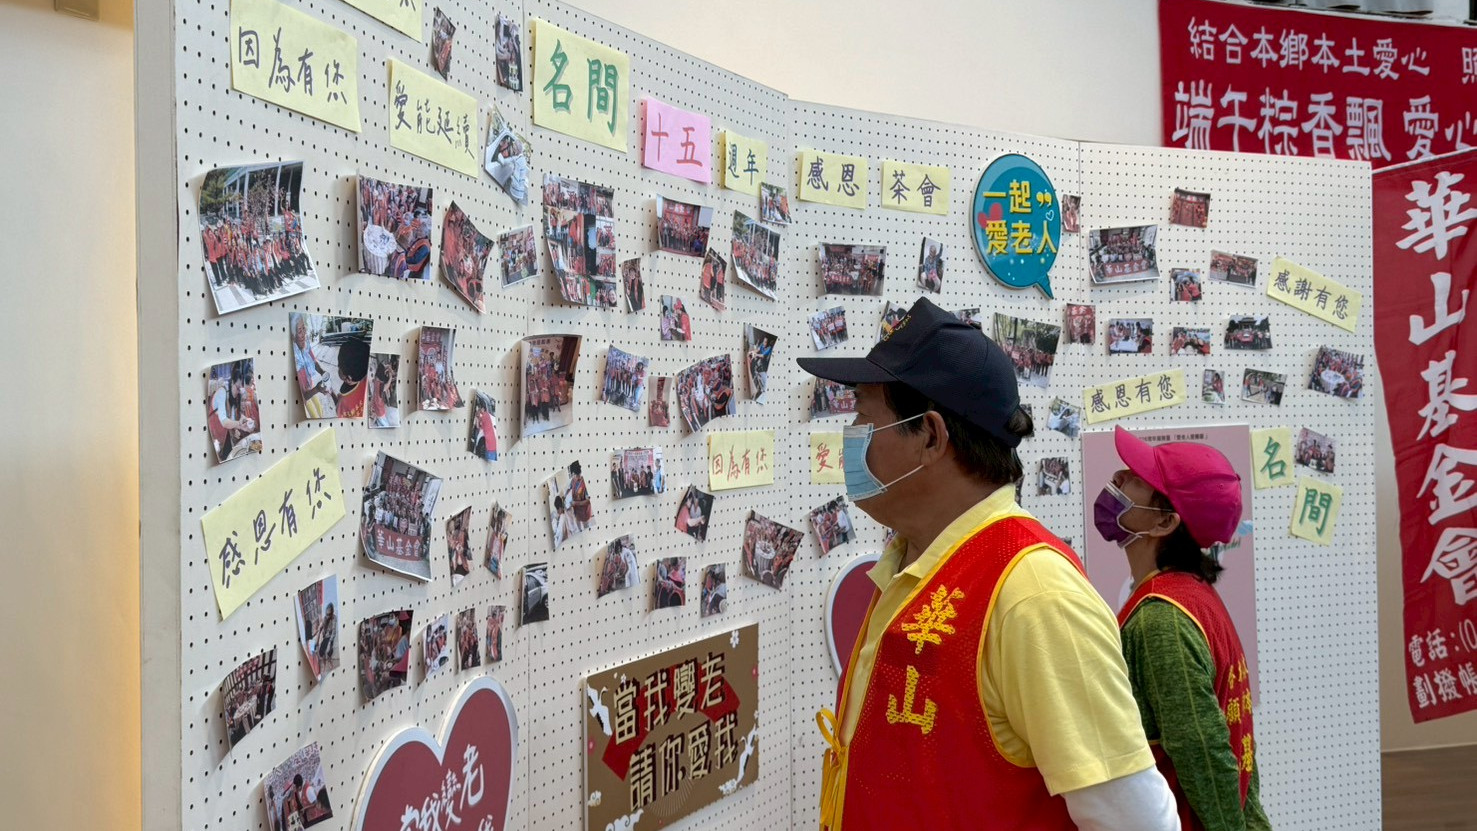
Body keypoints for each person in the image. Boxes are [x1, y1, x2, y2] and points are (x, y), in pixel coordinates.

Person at [798, 296, 1176, 831]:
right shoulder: (913, 562)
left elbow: (1139, 822)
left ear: (931, 436)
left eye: (864, 415)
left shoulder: (1034, 594)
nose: (851, 435)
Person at [1095, 426, 1271, 831]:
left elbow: (1202, 750)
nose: (1119, 477)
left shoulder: (1163, 619)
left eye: (1138, 479)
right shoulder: (1192, 594)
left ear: (1164, 523)